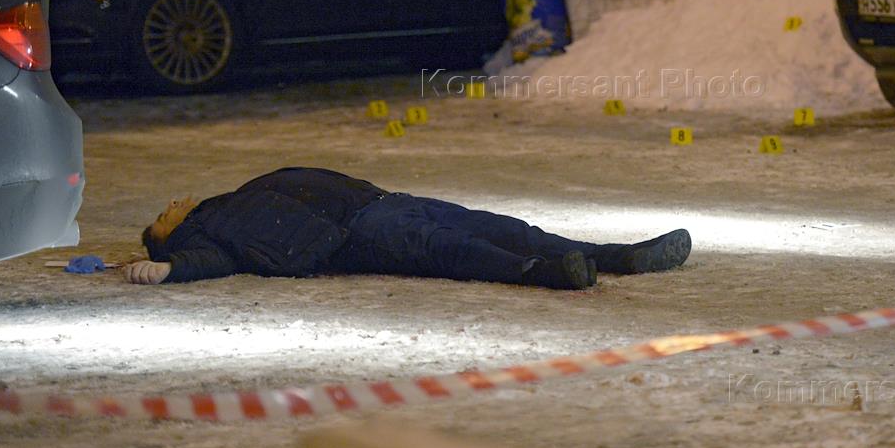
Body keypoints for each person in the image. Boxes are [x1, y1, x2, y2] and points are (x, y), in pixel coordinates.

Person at [124, 167, 691, 290]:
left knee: (506, 226)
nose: (171, 203)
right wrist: (164, 269)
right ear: (171, 233)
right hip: (363, 231)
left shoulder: (230, 202)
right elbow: (209, 263)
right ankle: (549, 274)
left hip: (385, 201)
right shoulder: (210, 230)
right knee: (456, 249)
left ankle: (617, 255)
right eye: (163, 215)